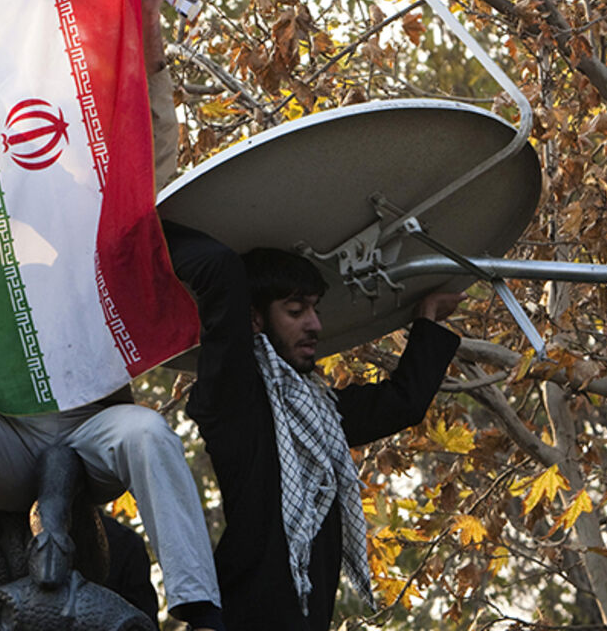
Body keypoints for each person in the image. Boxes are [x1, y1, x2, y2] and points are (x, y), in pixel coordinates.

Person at [0, 0, 225, 631]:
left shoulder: (106, 232)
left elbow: (152, 143)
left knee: (150, 433)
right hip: (8, 443)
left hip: (90, 438)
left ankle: (199, 608)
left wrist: (142, 14)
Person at [175, 244, 462, 631]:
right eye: (295, 311)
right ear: (254, 318)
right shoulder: (234, 398)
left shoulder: (319, 411)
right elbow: (218, 268)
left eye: (315, 309)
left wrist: (426, 317)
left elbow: (402, 403)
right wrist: (142, 222)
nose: (315, 325)